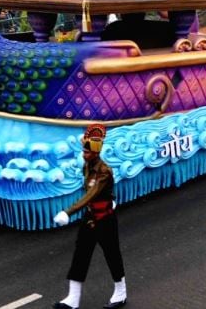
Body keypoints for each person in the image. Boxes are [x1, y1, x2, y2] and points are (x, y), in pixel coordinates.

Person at [53, 124, 127, 309]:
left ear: (95, 153)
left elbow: (91, 195)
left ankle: (121, 293)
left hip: (105, 219)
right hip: (90, 217)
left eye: (87, 152)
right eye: (83, 151)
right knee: (80, 254)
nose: (84, 154)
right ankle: (73, 298)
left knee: (112, 254)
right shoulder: (87, 166)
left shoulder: (104, 171)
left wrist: (68, 212)